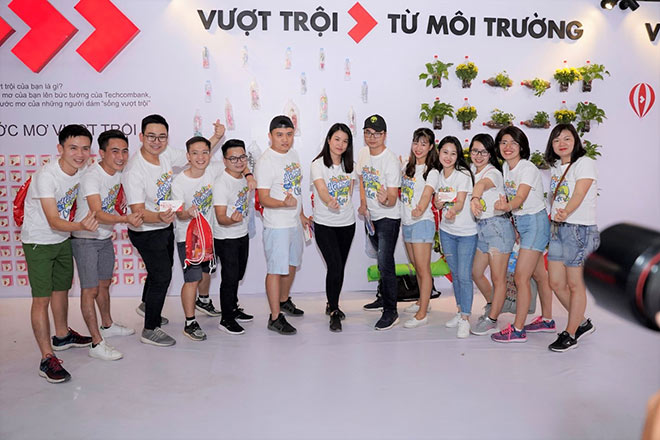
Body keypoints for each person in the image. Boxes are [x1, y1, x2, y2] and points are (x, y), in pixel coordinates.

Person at [122, 114, 224, 347]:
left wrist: (216, 137)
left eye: (162, 137)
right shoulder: (134, 170)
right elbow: (137, 212)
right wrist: (160, 216)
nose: (156, 141)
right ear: (141, 137)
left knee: (160, 270)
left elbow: (198, 154)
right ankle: (150, 329)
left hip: (165, 224)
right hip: (145, 229)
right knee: (162, 276)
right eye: (151, 136)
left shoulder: (165, 153)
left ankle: (147, 305)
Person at [21, 124, 97, 383]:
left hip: (62, 239)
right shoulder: (46, 176)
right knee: (41, 299)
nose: (80, 154)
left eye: (85, 148)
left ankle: (62, 335)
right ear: (60, 149)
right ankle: (46, 358)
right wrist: (81, 226)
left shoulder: (82, 170)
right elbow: (53, 220)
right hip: (39, 242)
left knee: (61, 290)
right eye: (73, 148)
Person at [71, 129, 143, 361]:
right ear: (101, 153)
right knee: (89, 290)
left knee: (104, 284)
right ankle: (96, 343)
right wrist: (126, 219)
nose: (121, 157)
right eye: (115, 151)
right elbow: (98, 213)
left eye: (124, 151)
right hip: (85, 239)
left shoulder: (119, 173)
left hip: (104, 238)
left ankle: (107, 325)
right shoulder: (92, 176)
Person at [491, 126, 554, 343]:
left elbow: (520, 198)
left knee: (521, 277)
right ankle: (547, 320)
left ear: (522, 146)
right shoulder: (505, 167)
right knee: (539, 276)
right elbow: (515, 203)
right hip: (524, 223)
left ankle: (518, 329)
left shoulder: (527, 168)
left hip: (535, 223)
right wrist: (516, 224)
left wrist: (507, 207)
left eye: (513, 143)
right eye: (503, 142)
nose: (507, 147)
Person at [255, 115, 311, 335]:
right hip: (277, 225)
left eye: (289, 134)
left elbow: (296, 189)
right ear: (270, 136)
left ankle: (284, 300)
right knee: (276, 270)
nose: (285, 139)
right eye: (279, 135)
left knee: (292, 264)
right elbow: (263, 198)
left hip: (294, 222)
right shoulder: (266, 161)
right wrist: (282, 204)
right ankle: (275, 317)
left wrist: (301, 214)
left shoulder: (293, 154)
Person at [544, 124, 598, 352]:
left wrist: (566, 211)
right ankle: (582, 323)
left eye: (567, 138)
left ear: (576, 140)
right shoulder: (557, 167)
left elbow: (579, 193)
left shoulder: (584, 163)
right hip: (558, 229)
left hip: (578, 228)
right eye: (557, 140)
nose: (562, 143)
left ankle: (571, 333)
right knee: (556, 282)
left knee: (575, 285)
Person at [171, 136, 223, 342]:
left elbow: (236, 163)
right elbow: (178, 213)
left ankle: (203, 300)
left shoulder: (213, 169)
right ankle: (189, 322)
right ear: (188, 156)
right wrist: (187, 213)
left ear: (210, 155)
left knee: (206, 271)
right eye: (195, 153)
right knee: (192, 279)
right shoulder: (179, 182)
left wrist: (248, 175)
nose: (200, 157)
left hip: (208, 235)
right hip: (188, 238)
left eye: (204, 152)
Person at [467, 133, 516, 336]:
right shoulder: (471, 170)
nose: (478, 156)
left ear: (490, 154)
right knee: (476, 272)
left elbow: (481, 185)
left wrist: (475, 198)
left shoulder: (493, 173)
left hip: (498, 229)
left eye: (484, 152)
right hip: (482, 229)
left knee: (498, 278)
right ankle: (492, 304)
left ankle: (492, 319)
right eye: (475, 151)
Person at [310, 123, 357, 332]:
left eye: (345, 141)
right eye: (337, 139)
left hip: (347, 224)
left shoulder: (350, 165)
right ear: (329, 140)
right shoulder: (318, 164)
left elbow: (350, 192)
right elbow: (321, 188)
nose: (340, 144)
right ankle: (335, 311)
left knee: (338, 268)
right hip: (324, 224)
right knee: (335, 266)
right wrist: (329, 200)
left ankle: (332, 303)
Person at [357, 114, 401, 330]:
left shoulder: (390, 160)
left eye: (377, 134)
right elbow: (362, 179)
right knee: (380, 260)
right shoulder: (363, 153)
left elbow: (392, 197)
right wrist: (363, 203)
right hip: (371, 217)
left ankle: (391, 311)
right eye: (368, 133)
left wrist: (386, 200)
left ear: (385, 135)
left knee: (385, 263)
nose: (372, 137)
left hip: (388, 217)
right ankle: (383, 297)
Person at [434, 136, 477, 338]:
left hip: (466, 233)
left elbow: (460, 202)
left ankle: (466, 319)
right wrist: (438, 204)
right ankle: (460, 312)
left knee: (464, 275)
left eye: (453, 153)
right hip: (446, 231)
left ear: (458, 155)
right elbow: (438, 199)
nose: (448, 157)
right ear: (439, 153)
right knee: (456, 275)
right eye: (445, 152)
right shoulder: (438, 175)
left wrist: (453, 211)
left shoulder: (463, 175)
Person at [213, 139, 255, 335]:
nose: (239, 162)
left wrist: (249, 175)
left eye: (242, 157)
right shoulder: (222, 184)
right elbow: (221, 218)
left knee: (237, 275)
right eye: (233, 158)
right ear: (224, 160)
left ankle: (233, 308)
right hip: (226, 237)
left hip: (241, 233)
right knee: (229, 278)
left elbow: (245, 169)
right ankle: (226, 319)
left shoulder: (243, 176)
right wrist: (231, 220)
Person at [399, 128, 440, 329]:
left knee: (423, 269)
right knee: (416, 266)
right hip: (407, 223)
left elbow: (426, 194)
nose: (419, 147)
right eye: (416, 142)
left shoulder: (431, 171)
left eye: (424, 144)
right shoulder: (407, 167)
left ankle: (422, 313)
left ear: (431, 147)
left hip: (422, 222)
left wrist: (420, 208)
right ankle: (422, 302)